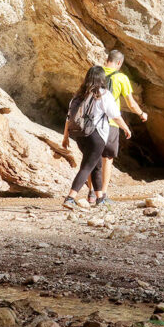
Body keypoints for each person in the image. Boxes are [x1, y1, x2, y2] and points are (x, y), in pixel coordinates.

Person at [61, 66, 132, 211]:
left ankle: (100, 198)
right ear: (101, 78)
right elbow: (115, 116)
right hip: (96, 135)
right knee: (87, 166)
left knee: (96, 165)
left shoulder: (78, 95)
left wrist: (66, 137)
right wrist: (126, 128)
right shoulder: (103, 94)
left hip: (80, 135)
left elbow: (69, 118)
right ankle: (70, 198)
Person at [93, 49, 147, 205]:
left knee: (92, 158)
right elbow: (130, 103)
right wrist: (142, 114)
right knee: (107, 159)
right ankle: (102, 195)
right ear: (119, 63)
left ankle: (91, 194)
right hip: (110, 122)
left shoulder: (95, 73)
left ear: (107, 59)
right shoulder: (121, 78)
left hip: (92, 122)